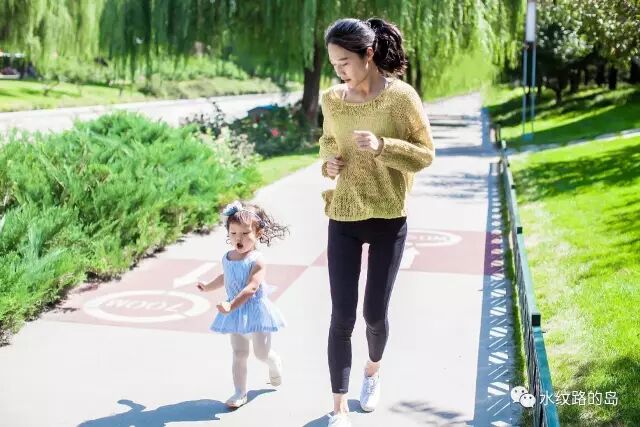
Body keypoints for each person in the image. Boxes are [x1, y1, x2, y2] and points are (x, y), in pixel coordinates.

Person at [319, 17, 435, 427]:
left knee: (373, 314)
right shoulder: (332, 100)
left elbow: (425, 154)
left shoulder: (401, 98)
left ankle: (372, 370)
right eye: (334, 64)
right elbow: (327, 142)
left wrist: (384, 145)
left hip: (388, 216)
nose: (339, 71)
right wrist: (329, 164)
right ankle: (339, 407)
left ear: (368, 54)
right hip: (344, 215)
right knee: (342, 316)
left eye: (345, 62)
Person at [197, 200, 288, 409]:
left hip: (255, 311)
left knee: (261, 353)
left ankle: (274, 361)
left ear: (258, 234)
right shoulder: (227, 257)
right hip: (235, 312)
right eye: (234, 233)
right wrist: (208, 286)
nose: (239, 238)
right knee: (239, 353)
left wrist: (231, 305)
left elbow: (251, 288)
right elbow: (225, 276)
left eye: (245, 233)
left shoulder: (257, 260)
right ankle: (240, 392)